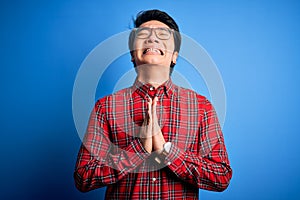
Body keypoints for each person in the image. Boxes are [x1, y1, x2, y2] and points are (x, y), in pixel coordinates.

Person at [74, 9, 232, 199]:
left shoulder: (201, 107)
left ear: (174, 55)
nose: (152, 39)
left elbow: (221, 176)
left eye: (162, 35)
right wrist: (138, 148)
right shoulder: (106, 107)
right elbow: (83, 177)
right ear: (133, 54)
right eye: (143, 35)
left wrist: (166, 150)